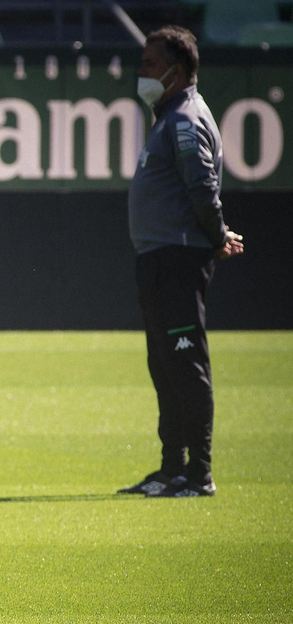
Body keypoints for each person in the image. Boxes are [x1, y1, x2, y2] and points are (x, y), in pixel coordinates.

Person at [119, 26, 245, 499]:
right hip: (157, 257)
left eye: (150, 64)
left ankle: (200, 473)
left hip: (177, 259)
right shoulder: (166, 117)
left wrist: (215, 238)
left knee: (185, 363)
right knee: (164, 365)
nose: (142, 71)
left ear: (176, 71)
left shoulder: (186, 121)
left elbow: (202, 189)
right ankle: (171, 468)